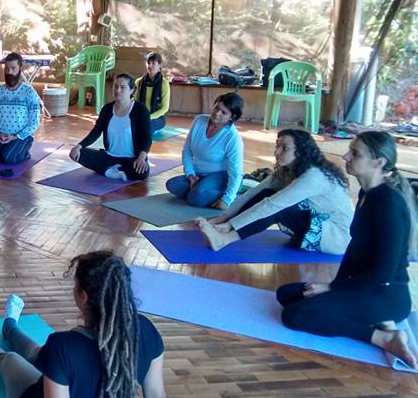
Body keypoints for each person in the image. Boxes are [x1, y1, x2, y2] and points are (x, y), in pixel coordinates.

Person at [0, 251, 169, 398]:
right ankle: (10, 326)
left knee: (10, 360)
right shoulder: (147, 330)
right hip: (78, 382)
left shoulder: (63, 345)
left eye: (75, 285)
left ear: (83, 296)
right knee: (42, 354)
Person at [275, 131, 418, 368]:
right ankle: (379, 321)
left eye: (355, 153)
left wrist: (331, 287)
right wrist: (332, 290)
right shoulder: (366, 194)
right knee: (286, 295)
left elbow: (382, 275)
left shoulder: (388, 204)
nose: (346, 156)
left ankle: (383, 337)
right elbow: (353, 250)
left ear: (378, 162)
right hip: (365, 288)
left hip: (386, 294)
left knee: (295, 316)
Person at [196, 129, 352, 254]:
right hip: (312, 228)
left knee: (276, 205)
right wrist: (223, 218)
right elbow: (253, 192)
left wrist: (231, 225)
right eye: (277, 146)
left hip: (334, 237)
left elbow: (273, 205)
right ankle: (223, 232)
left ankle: (224, 240)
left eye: (284, 148)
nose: (277, 152)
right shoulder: (287, 170)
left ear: (301, 152)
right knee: (265, 194)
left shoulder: (314, 175)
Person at [165, 93, 244, 209]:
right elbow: (186, 151)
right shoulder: (199, 120)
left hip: (222, 176)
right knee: (172, 185)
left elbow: (236, 173)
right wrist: (191, 175)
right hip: (199, 174)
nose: (217, 113)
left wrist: (227, 200)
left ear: (232, 117)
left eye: (223, 112)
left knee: (195, 198)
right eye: (216, 108)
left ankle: (237, 195)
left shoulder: (232, 137)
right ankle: (201, 189)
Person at [70, 73, 152, 181]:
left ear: (131, 90)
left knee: (143, 172)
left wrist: (141, 158)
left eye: (123, 87)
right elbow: (95, 133)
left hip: (131, 158)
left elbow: (146, 137)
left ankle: (109, 171)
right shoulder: (107, 109)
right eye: (115, 86)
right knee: (79, 154)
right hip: (109, 156)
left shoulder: (141, 110)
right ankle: (115, 172)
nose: (118, 90)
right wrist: (79, 146)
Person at [0, 52, 40, 165]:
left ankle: (24, 152)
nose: (9, 72)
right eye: (7, 68)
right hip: (1, 135)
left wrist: (15, 136)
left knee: (8, 158)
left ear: (20, 68)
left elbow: (35, 122)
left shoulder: (29, 92)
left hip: (21, 136)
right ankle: (3, 149)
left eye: (13, 68)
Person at [133, 52, 170, 133]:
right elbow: (133, 101)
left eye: (153, 63)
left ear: (160, 65)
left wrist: (148, 117)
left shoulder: (164, 83)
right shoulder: (139, 82)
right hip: (140, 115)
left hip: (156, 118)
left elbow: (165, 108)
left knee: (144, 126)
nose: (150, 66)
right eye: (148, 63)